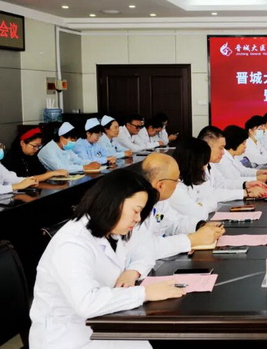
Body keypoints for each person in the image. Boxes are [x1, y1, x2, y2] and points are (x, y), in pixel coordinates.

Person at [29, 169, 186, 348]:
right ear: (114, 203)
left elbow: (144, 251)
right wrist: (145, 293)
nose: (138, 219)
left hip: (103, 325)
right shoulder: (71, 243)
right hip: (69, 339)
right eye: (136, 211)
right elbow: (87, 303)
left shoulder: (111, 231)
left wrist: (132, 271)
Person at [134, 153, 225, 262]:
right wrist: (192, 240)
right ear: (160, 185)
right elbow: (146, 247)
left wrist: (200, 226)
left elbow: (174, 222)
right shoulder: (135, 208)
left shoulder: (159, 200)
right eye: (176, 180)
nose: (178, 183)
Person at [197, 125, 267, 199]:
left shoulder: (210, 164)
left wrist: (246, 184)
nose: (223, 152)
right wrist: (246, 192)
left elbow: (220, 183)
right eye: (220, 148)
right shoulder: (198, 167)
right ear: (206, 147)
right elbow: (209, 194)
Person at [1, 128, 68, 180]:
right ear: (22, 143)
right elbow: (24, 179)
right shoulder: (11, 157)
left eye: (39, 146)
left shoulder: (32, 156)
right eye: (34, 146)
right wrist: (52, 173)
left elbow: (42, 172)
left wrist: (57, 173)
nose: (36, 149)